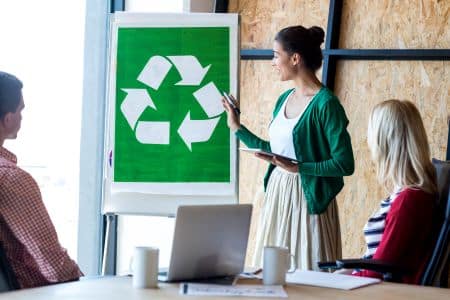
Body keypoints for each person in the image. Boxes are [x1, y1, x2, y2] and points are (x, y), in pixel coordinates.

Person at [222, 25, 354, 270]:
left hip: (308, 200)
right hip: (278, 195)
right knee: (272, 272)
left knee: (307, 271)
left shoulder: (327, 105)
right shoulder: (284, 99)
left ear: (295, 58)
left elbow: (344, 163)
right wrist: (237, 127)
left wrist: (298, 168)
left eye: (275, 55)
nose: (272, 62)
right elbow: (275, 151)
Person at [0, 71, 82, 288]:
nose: (22, 117)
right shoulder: (11, 178)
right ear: (8, 119)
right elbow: (54, 266)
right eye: (20, 110)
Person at [350, 100, 437, 284]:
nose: (369, 140)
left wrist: (343, 279)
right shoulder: (409, 194)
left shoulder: (409, 200)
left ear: (384, 141)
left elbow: (379, 271)